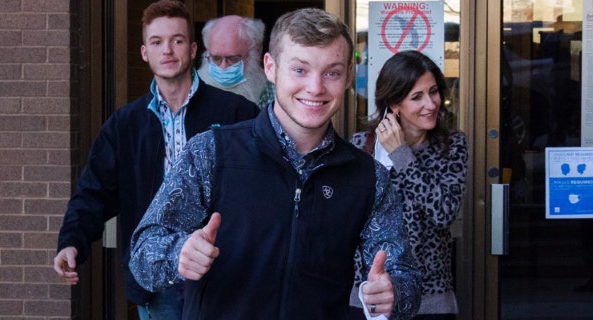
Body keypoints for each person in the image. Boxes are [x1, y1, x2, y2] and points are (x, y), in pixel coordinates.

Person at [129, 8, 421, 320]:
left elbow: (405, 278)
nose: (315, 87)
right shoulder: (212, 153)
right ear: (271, 67)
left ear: (349, 75)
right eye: (300, 70)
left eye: (331, 72)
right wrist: (179, 254)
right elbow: (142, 255)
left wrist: (393, 293)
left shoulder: (368, 178)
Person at [52, 1, 259, 319]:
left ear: (192, 50)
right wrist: (72, 241)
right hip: (158, 283)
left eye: (176, 40)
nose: (167, 51)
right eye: (156, 42)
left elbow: (260, 192)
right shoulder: (125, 125)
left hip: (221, 275)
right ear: (144, 52)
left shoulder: (236, 114)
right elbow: (94, 191)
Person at [349, 50, 469, 320]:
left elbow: (443, 213)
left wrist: (401, 154)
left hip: (429, 301)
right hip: (367, 300)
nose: (431, 103)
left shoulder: (451, 147)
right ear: (394, 103)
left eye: (434, 91)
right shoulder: (361, 146)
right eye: (417, 97)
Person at [198, 15, 275, 108]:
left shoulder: (274, 97)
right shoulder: (190, 92)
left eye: (233, 59)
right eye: (216, 58)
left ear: (256, 53)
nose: (223, 67)